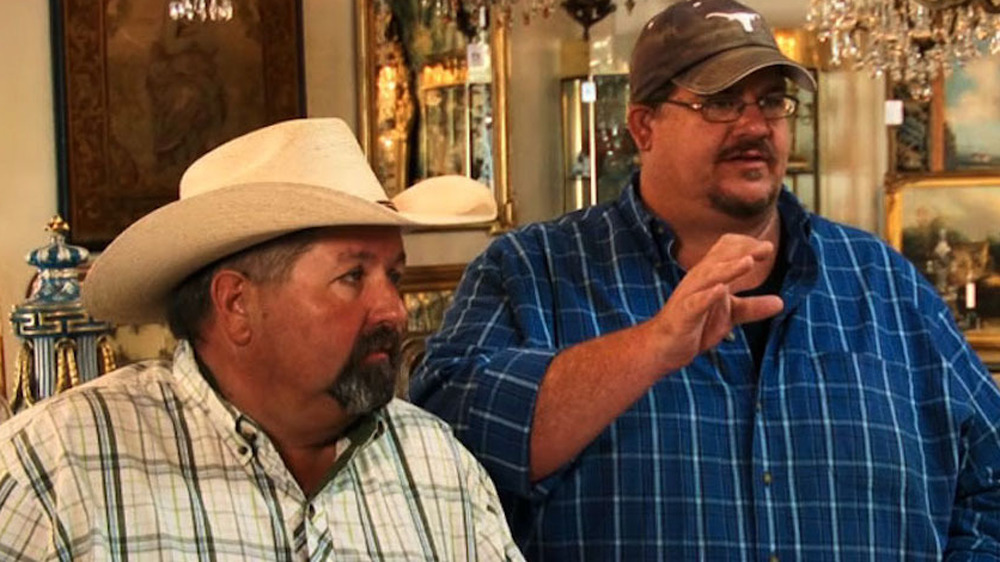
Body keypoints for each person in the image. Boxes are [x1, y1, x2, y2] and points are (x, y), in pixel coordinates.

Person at [410, 1, 1000, 559]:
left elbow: (991, 477)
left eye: (772, 102)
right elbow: (444, 458)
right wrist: (653, 345)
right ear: (643, 127)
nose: (755, 125)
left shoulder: (882, 283)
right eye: (720, 101)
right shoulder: (530, 272)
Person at [0, 118, 524, 561]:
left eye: (395, 277)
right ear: (236, 305)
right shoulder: (57, 471)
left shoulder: (437, 466)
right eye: (352, 278)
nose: (393, 310)